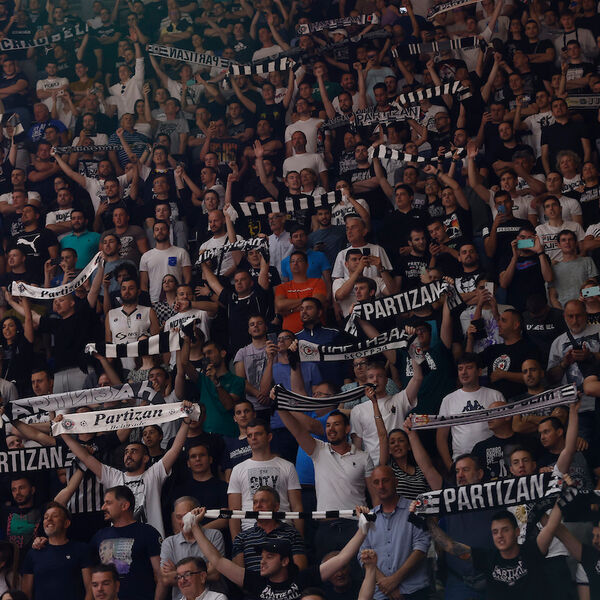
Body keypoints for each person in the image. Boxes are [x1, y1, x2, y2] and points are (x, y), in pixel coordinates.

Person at [58, 401, 194, 537]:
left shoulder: (154, 474)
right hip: (120, 542)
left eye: (134, 451)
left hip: (150, 540)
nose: (128, 455)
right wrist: (63, 432)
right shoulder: (114, 476)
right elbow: (85, 457)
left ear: (145, 458)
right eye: (126, 452)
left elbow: (175, 449)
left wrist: (186, 422)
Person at [188, 505, 370, 599]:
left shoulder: (303, 578)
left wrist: (363, 529)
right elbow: (217, 561)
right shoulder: (255, 581)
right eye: (262, 556)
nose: (262, 561)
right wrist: (195, 527)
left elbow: (342, 558)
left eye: (269, 556)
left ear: (284, 561)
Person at [414, 501, 564, 600]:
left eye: (505, 530)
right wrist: (427, 521)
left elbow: (551, 526)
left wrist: (562, 498)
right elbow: (450, 546)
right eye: (495, 532)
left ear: (517, 532)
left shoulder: (530, 551)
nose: (500, 536)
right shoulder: (487, 557)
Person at [360, 466, 431, 600]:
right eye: (376, 482)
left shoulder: (414, 509)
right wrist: (385, 585)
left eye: (385, 480)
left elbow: (422, 547)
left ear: (396, 482)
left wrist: (394, 580)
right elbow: (362, 555)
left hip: (413, 591)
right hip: (380, 594)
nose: (381, 486)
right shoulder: (368, 517)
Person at [227, 418, 302, 540]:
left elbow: (297, 507)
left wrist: (299, 539)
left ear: (269, 437)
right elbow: (234, 511)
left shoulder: (287, 466)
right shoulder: (237, 469)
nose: (253, 438)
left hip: (284, 530)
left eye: (258, 434)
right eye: (249, 435)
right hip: (249, 531)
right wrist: (236, 544)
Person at [90, 486, 163, 600]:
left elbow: (160, 575)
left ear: (124, 506)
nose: (103, 507)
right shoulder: (99, 535)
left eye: (108, 503)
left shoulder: (147, 532)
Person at [436, 353, 505, 470]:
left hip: (493, 456)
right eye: (460, 369)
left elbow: (505, 428)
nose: (464, 372)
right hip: (461, 462)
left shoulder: (495, 395)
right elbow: (441, 437)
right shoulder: (448, 400)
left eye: (469, 367)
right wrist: (450, 466)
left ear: (479, 371)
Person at [21, 502, 92, 600]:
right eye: (46, 517)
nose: (49, 519)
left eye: (55, 516)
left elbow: (90, 589)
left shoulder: (81, 549)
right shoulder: (33, 553)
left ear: (66, 523)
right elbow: (26, 593)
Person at [160, 497, 225, 598]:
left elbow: (215, 574)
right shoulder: (169, 543)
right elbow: (166, 579)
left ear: (198, 513)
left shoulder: (214, 536)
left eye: (186, 516)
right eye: (178, 517)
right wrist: (202, 570)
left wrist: (177, 571)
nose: (182, 522)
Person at [231, 486, 306, 572]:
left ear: (276, 506)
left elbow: (300, 569)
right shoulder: (241, 538)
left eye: (263, 501)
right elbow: (238, 575)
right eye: (255, 503)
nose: (258, 506)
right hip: (252, 580)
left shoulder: (292, 534)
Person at [139, 220, 192, 303]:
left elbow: (188, 278)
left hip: (177, 300)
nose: (160, 231)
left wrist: (183, 296)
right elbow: (143, 284)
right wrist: (147, 301)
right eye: (156, 229)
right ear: (153, 234)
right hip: (154, 300)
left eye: (163, 229)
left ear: (169, 232)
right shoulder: (146, 256)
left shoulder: (181, 252)